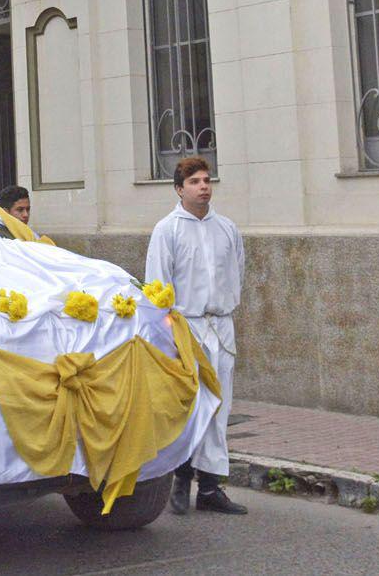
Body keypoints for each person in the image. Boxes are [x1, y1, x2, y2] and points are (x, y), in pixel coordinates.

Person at [145, 156, 247, 516]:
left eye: (206, 180)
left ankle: (210, 486)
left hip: (220, 326)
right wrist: (169, 333)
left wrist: (224, 309)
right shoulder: (167, 230)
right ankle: (181, 477)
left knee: (219, 406)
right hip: (185, 327)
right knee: (190, 407)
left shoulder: (227, 228)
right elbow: (157, 286)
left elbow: (238, 273)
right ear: (179, 189)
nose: (203, 186)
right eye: (194, 182)